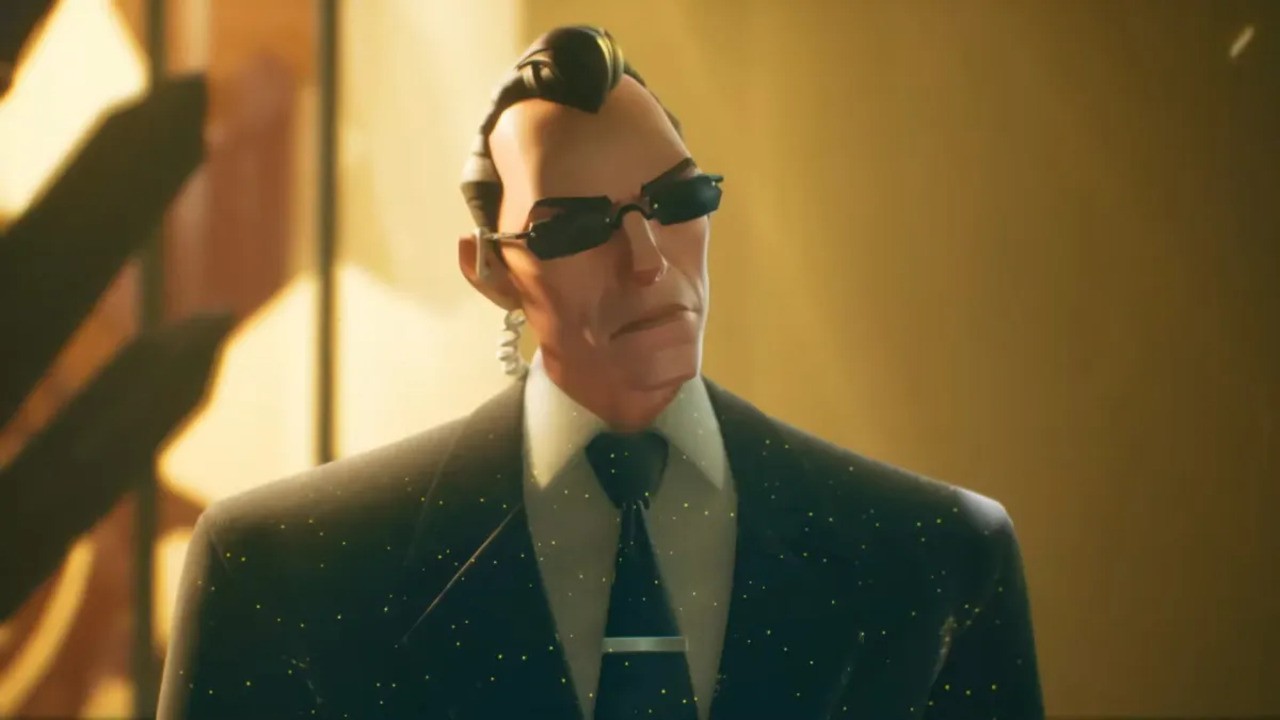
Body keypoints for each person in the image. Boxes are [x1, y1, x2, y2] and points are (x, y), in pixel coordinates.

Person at [157, 25, 1044, 720]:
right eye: (575, 226)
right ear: (490, 269)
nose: (649, 262)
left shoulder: (943, 559)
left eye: (678, 201)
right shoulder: (280, 573)